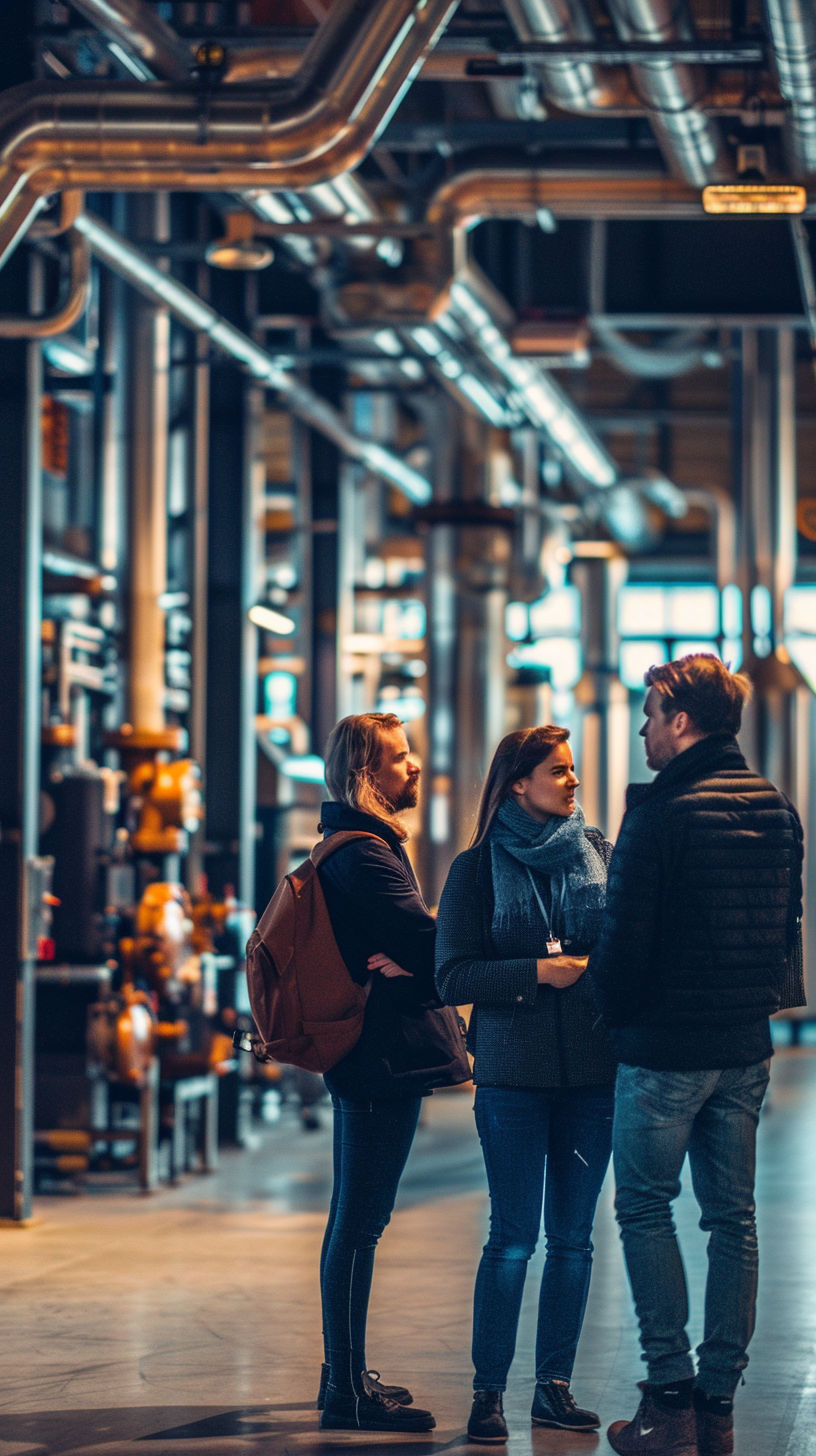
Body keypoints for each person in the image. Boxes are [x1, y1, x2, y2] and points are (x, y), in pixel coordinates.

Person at [589, 655, 804, 1456]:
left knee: (644, 1208)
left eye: (649, 714)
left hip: (664, 1053)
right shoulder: (778, 807)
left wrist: (614, 1017)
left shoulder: (662, 812)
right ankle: (718, 1409)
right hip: (744, 1049)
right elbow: (787, 939)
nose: (643, 728)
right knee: (733, 1221)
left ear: (681, 720)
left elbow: (622, 943)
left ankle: (668, 1402)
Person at [436, 726, 617, 1445]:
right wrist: (535, 974)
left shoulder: (597, 854)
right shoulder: (475, 871)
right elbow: (450, 977)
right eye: (557, 771)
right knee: (512, 1240)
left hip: (594, 1079)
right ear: (518, 783)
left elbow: (621, 952)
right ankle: (488, 1395)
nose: (572, 782)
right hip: (512, 1079)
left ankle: (554, 1387)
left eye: (572, 771)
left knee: (574, 1241)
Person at [316, 711, 467, 1435]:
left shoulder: (360, 847)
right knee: (360, 1223)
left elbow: (417, 947)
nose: (413, 766)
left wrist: (417, 954)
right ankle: (346, 1389)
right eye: (399, 757)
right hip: (377, 1059)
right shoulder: (365, 856)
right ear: (364, 774)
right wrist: (426, 953)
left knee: (356, 1219)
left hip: (370, 1056)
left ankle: (339, 1375)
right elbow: (433, 945)